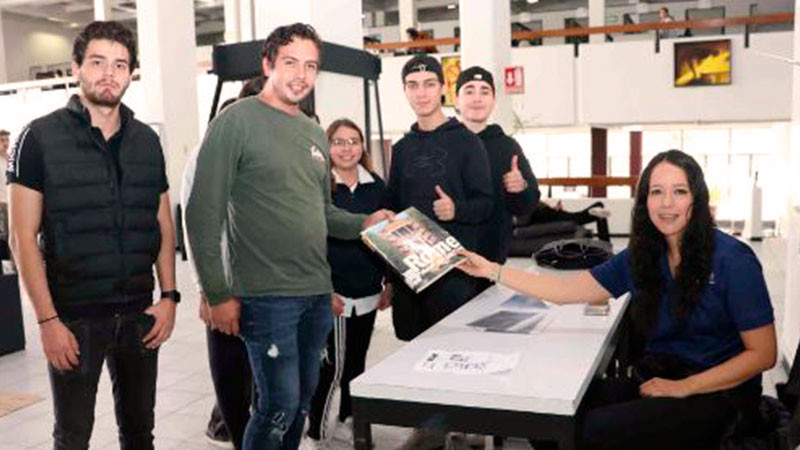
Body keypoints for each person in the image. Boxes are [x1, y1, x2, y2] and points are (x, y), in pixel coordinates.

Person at [458, 149, 776, 450]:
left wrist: (683, 388)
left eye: (679, 191)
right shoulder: (642, 256)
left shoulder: (734, 260)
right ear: (644, 201)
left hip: (719, 395)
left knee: (588, 432)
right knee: (544, 418)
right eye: (656, 192)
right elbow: (566, 291)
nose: (667, 203)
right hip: (661, 377)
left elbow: (763, 354)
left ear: (697, 197)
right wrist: (491, 270)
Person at [185, 23, 392, 450]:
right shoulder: (235, 121)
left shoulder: (314, 133)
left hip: (315, 294)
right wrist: (216, 292)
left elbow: (322, 212)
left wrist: (364, 223)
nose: (301, 74)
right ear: (268, 64)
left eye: (310, 65)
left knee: (300, 402)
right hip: (266, 295)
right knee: (275, 405)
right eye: (291, 62)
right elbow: (202, 212)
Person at [7, 21, 178, 449]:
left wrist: (170, 297)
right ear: (76, 67)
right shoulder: (39, 138)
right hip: (74, 318)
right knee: (73, 437)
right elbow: (22, 237)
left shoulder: (146, 142)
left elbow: (162, 221)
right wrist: (48, 322)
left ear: (130, 72)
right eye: (98, 62)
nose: (109, 73)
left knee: (140, 433)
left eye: (120, 64)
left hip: (139, 314)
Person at [387, 55, 493, 450]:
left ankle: (463, 428)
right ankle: (426, 427)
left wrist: (457, 210)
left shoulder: (467, 142)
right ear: (405, 91)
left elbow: (486, 204)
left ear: (442, 88)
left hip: (454, 271)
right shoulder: (402, 148)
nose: (421, 91)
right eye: (412, 84)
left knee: (455, 353)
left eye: (429, 83)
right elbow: (395, 208)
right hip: (412, 269)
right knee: (417, 350)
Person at [186, 76, 266, 450]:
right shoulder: (208, 153)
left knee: (273, 383)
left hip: (278, 290)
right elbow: (198, 225)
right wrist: (208, 289)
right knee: (232, 382)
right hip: (227, 289)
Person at [306, 119, 390, 447]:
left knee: (357, 362)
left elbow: (388, 238)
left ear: (362, 147)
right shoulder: (320, 186)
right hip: (334, 292)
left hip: (368, 290)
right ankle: (316, 432)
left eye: (353, 141)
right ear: (327, 148)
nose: (346, 148)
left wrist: (389, 283)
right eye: (338, 142)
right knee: (332, 367)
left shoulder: (377, 186)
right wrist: (322, 288)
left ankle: (347, 419)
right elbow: (311, 240)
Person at [454, 66, 540, 267]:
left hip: (492, 260)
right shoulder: (442, 144)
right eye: (469, 91)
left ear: (493, 101)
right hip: (447, 259)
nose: (477, 98)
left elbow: (527, 205)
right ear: (456, 100)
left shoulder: (507, 146)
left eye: (485, 91)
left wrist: (520, 188)